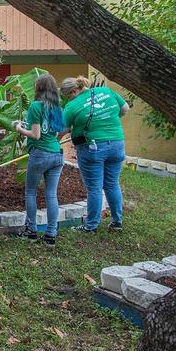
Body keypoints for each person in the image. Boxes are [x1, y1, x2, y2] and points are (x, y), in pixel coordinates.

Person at [61, 76, 129, 233]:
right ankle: (117, 222)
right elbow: (125, 109)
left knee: (94, 188)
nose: (68, 99)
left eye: (68, 96)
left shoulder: (72, 106)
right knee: (112, 183)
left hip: (92, 148)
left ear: (73, 91)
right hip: (117, 144)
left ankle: (91, 226)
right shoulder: (106, 91)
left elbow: (62, 130)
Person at [13, 73, 66, 247]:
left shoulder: (35, 106)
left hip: (40, 154)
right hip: (57, 154)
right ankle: (51, 233)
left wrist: (19, 128)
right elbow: (60, 131)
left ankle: (31, 230)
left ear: (39, 88)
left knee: (31, 192)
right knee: (51, 194)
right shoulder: (57, 107)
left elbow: (35, 135)